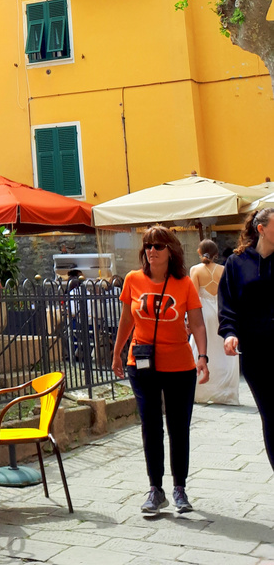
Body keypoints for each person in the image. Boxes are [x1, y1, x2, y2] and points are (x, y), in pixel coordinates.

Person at [112, 226, 208, 515]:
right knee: (150, 426)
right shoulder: (133, 279)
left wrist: (202, 355)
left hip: (179, 365)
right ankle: (156, 489)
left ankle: (180, 488)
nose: (151, 251)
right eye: (148, 246)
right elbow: (127, 319)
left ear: (171, 250)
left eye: (158, 246)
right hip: (141, 364)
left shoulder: (184, 284)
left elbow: (199, 324)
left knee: (178, 427)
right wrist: (117, 352)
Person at [219, 206, 274, 470]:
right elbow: (228, 303)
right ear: (261, 229)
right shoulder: (236, 263)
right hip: (257, 352)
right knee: (271, 415)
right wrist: (230, 333)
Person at [189, 240, 239, 405]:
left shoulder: (195, 270)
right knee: (221, 351)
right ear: (216, 253)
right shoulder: (223, 269)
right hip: (219, 312)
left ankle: (201, 390)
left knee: (202, 348)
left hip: (203, 312)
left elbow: (194, 297)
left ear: (199, 251)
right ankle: (224, 390)